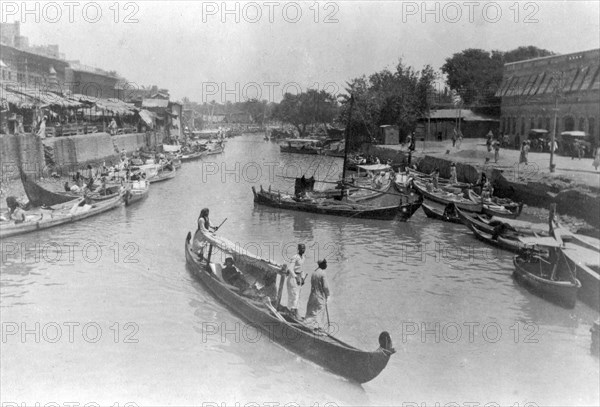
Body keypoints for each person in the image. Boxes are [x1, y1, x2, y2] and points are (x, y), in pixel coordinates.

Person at [305, 259, 331, 324]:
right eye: (325, 263)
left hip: (312, 294)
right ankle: (318, 328)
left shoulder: (314, 272)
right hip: (320, 296)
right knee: (320, 312)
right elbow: (325, 287)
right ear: (321, 264)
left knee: (311, 311)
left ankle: (307, 324)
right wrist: (328, 295)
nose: (326, 265)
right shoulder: (323, 273)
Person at [286, 243, 306, 319]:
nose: (303, 250)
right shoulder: (295, 257)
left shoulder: (303, 257)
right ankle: (291, 312)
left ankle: (295, 312)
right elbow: (290, 269)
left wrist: (303, 278)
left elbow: (301, 269)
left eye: (304, 248)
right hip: (292, 278)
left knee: (297, 296)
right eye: (301, 248)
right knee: (293, 295)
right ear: (298, 249)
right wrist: (296, 277)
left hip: (298, 278)